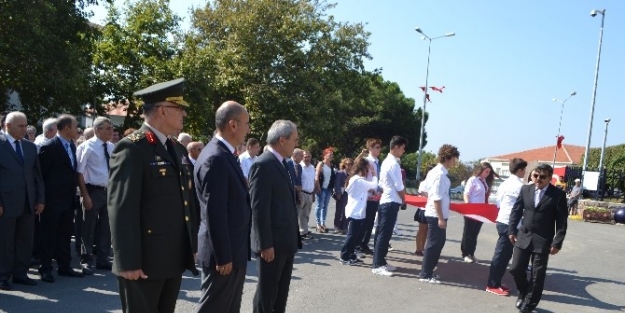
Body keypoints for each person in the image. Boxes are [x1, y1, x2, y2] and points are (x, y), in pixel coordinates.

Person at [108, 78, 199, 312]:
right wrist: (127, 261)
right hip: (144, 261)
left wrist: (192, 246)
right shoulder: (132, 148)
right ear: (162, 110)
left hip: (172, 256)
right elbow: (122, 207)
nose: (184, 114)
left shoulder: (176, 148)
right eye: (179, 108)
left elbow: (186, 202)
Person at [194, 101, 251, 313]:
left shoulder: (225, 154)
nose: (248, 129)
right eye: (246, 124)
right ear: (233, 124)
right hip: (224, 254)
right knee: (214, 308)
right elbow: (214, 211)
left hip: (233, 249)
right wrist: (223, 255)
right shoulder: (215, 157)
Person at [249, 120, 302, 313]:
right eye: (294, 140)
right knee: (266, 295)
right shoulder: (263, 164)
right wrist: (265, 244)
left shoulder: (282, 163)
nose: (296, 144)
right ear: (282, 140)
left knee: (280, 296)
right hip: (272, 246)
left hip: (285, 243)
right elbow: (258, 209)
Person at [509, 163, 568, 312]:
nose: (538, 179)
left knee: (537, 275)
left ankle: (529, 304)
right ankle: (524, 292)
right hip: (524, 236)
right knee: (516, 268)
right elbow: (516, 211)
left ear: (549, 178)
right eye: (535, 176)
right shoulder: (525, 189)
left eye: (542, 177)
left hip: (543, 240)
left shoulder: (558, 195)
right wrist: (511, 230)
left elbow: (561, 222)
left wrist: (557, 242)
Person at [0, 112, 45, 290]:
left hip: (28, 202)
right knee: (5, 241)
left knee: (25, 240)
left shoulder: (29, 147)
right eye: (20, 126)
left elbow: (37, 176)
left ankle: (21, 273)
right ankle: (3, 275)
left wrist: (40, 199)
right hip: (6, 202)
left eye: (26, 125)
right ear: (8, 126)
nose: (24, 129)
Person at [38, 114, 84, 282]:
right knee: (49, 235)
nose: (77, 129)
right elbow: (41, 174)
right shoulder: (50, 146)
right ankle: (46, 268)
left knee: (65, 234)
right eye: (74, 126)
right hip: (52, 200)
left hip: (68, 199)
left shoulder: (71, 145)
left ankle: (64, 266)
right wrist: (42, 199)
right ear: (66, 129)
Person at [76, 116, 115, 274]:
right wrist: (85, 195)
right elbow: (79, 173)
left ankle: (103, 259)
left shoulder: (112, 147)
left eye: (111, 128)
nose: (110, 132)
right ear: (97, 130)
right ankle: (86, 259)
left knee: (107, 227)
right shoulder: (87, 146)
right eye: (107, 129)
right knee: (88, 226)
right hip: (92, 190)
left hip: (109, 191)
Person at [485, 158, 527, 296]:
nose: (525, 172)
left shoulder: (505, 184)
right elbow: (523, 206)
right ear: (520, 170)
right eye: (524, 170)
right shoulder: (518, 186)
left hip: (504, 220)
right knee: (502, 255)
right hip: (510, 223)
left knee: (504, 255)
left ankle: (496, 282)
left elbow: (498, 202)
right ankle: (492, 284)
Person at [419, 144, 460, 284]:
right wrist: (441, 218)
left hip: (438, 213)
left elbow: (424, 189)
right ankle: (425, 274)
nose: (455, 162)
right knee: (433, 244)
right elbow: (436, 197)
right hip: (436, 215)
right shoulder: (439, 174)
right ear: (448, 158)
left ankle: (429, 271)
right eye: (454, 159)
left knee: (439, 243)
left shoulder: (438, 172)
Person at [371, 136, 407, 276]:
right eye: (403, 148)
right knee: (384, 234)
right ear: (396, 147)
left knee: (383, 233)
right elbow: (399, 186)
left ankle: (381, 261)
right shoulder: (394, 164)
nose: (403, 151)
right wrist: (404, 200)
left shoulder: (386, 162)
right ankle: (378, 265)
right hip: (390, 202)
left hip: (387, 201)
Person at [339, 157, 377, 265]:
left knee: (355, 236)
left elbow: (363, 192)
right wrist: (374, 175)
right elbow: (373, 185)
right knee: (351, 236)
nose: (368, 171)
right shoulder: (358, 180)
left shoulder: (356, 179)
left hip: (357, 212)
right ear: (363, 168)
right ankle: (344, 256)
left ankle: (351, 255)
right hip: (355, 212)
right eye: (367, 169)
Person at [460, 162, 492, 263]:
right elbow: (466, 194)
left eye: (489, 172)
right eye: (486, 171)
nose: (488, 173)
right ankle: (465, 254)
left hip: (481, 211)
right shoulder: (473, 179)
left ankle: (472, 253)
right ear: (481, 170)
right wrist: (468, 206)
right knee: (468, 233)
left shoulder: (484, 181)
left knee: (475, 233)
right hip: (472, 210)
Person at [357, 138, 382, 255]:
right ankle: (358, 244)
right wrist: (370, 190)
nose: (379, 150)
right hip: (367, 195)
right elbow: (362, 177)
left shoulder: (377, 161)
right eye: (376, 147)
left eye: (379, 147)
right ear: (370, 148)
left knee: (371, 221)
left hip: (375, 194)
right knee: (364, 221)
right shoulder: (366, 161)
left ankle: (364, 244)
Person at [415, 165, 435, 256]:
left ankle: (423, 248)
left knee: (427, 230)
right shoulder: (424, 183)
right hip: (423, 209)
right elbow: (423, 194)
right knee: (422, 229)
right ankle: (418, 249)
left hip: (431, 209)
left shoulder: (435, 182)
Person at [313, 148, 335, 233]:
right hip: (321, 188)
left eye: (332, 154)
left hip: (329, 188)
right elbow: (316, 176)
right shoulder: (321, 164)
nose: (332, 156)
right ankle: (318, 224)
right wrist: (318, 186)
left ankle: (323, 223)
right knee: (319, 205)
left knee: (325, 206)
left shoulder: (331, 165)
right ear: (325, 155)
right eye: (330, 154)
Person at [298, 150, 316, 239]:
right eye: (305, 156)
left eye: (308, 156)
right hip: (302, 193)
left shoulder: (312, 167)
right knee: (301, 214)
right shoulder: (300, 166)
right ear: (302, 157)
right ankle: (302, 232)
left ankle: (305, 229)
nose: (307, 158)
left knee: (307, 213)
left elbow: (313, 180)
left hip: (310, 192)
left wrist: (313, 193)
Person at [333, 158, 353, 234]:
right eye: (348, 164)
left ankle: (344, 227)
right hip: (341, 193)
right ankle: (337, 227)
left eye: (351, 164)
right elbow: (337, 184)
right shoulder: (340, 173)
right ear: (344, 164)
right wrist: (338, 193)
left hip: (349, 193)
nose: (349, 165)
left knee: (346, 211)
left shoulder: (352, 173)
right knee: (339, 210)